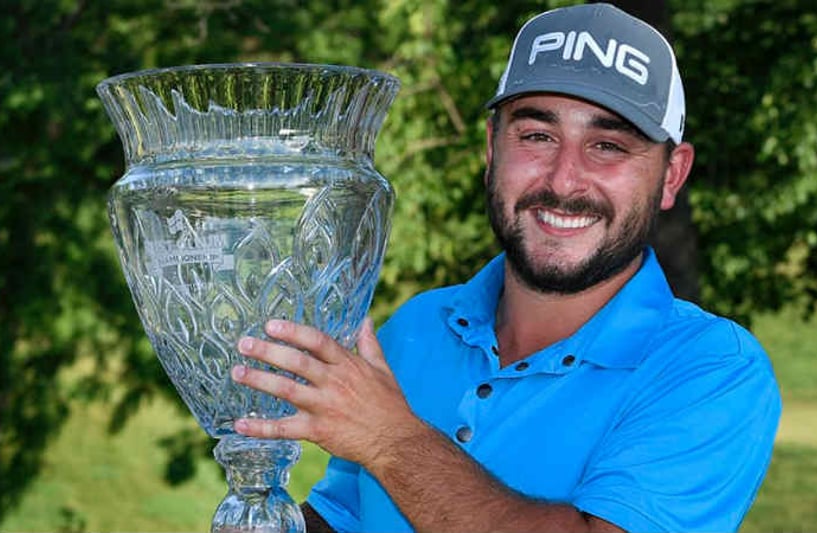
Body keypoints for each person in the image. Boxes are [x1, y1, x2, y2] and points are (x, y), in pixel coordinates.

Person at [229, 3, 781, 532]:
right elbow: (350, 516)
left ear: (672, 176)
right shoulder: (417, 328)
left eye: (608, 146)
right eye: (537, 136)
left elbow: (389, 447)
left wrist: (390, 439)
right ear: (492, 149)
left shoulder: (712, 371)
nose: (564, 181)